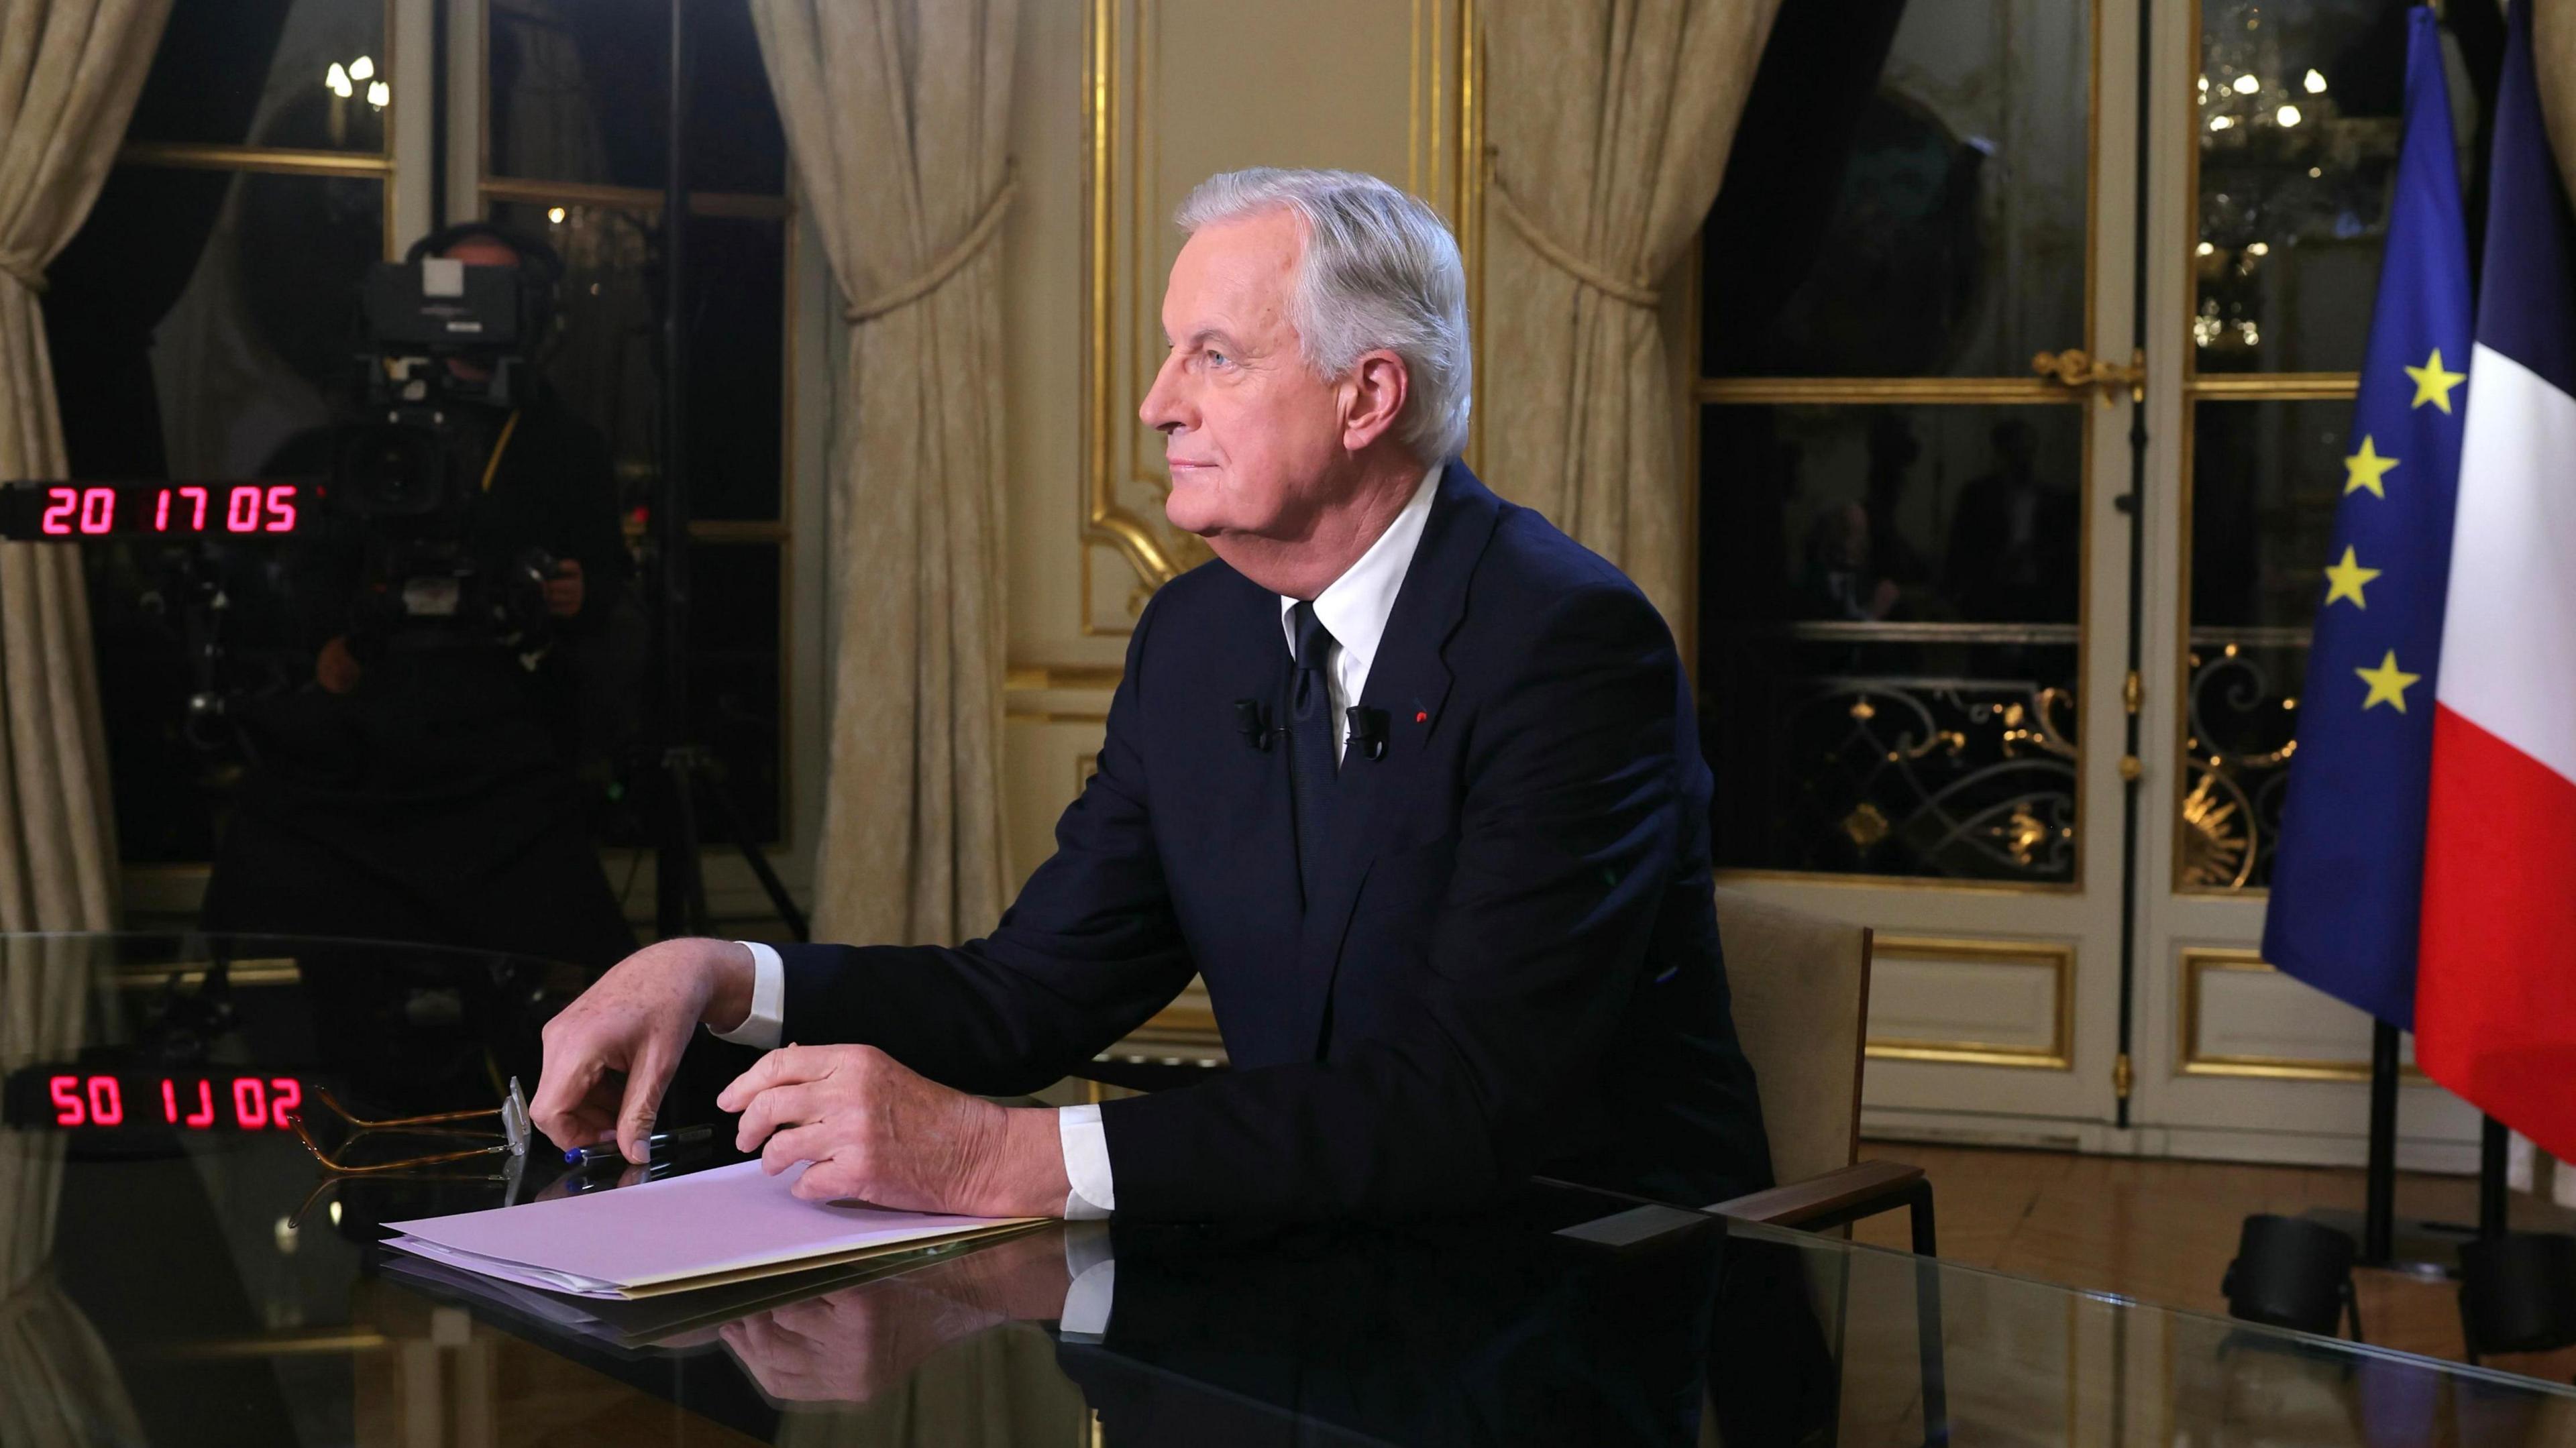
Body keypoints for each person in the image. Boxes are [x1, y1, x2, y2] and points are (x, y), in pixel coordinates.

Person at [531, 168, 1770, 1221]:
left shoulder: (1568, 643)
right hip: (1322, 1257)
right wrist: (723, 973)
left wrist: (990, 1154)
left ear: (1368, 396)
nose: (1156, 402)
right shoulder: (1195, 633)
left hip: (1578, 1284)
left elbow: (1464, 1100)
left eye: (1215, 357)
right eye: (1174, 351)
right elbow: (1028, 992)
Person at [200, 223, 642, 974]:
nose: (474, 313)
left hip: (508, 742)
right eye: (456, 291)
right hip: (367, 738)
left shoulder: (565, 443)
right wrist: (326, 647)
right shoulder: (362, 433)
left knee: (572, 970)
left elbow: (610, 577)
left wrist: (578, 590)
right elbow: (306, 572)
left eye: (496, 291)